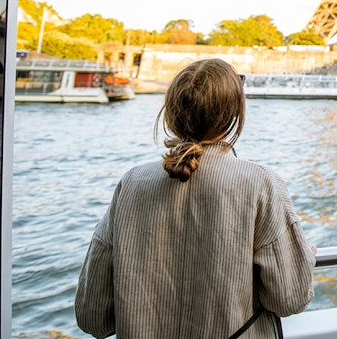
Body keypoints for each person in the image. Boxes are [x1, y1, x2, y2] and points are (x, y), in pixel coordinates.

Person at [75, 58, 315, 339]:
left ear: (171, 112)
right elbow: (290, 299)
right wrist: (304, 259)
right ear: (234, 114)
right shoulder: (261, 183)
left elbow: (93, 317)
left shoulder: (131, 183)